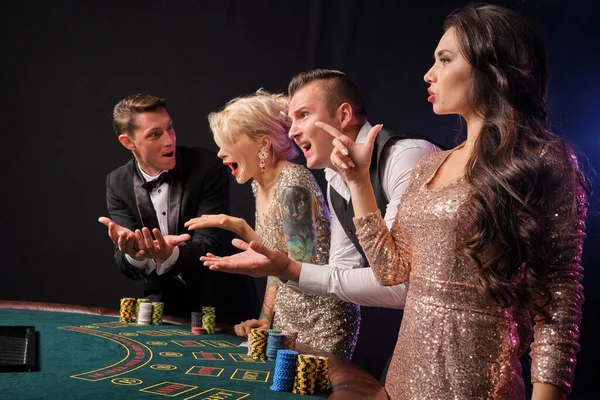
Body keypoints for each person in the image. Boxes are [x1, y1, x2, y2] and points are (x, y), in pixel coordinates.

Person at [318, 5, 588, 399]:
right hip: (400, 383)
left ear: (491, 68)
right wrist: (358, 182)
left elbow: (559, 297)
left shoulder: (543, 161)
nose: (429, 73)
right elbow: (391, 270)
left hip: (479, 389)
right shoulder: (429, 165)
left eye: (444, 59)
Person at [200, 70, 440, 378]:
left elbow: (399, 282)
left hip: (434, 332)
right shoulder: (334, 178)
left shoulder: (406, 156)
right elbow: (342, 269)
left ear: (343, 115)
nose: (292, 131)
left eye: (303, 116)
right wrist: (272, 305)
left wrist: (282, 266)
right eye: (292, 118)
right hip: (407, 334)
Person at [185, 89, 359, 359]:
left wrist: (242, 232)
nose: (220, 153)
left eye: (228, 142)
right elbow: (277, 259)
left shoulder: (293, 185)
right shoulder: (260, 184)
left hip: (320, 320)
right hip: (285, 318)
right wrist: (266, 319)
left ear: (263, 144)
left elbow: (300, 271)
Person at [98, 93, 258, 322]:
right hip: (164, 310)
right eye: (155, 134)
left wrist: (170, 254)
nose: (169, 140)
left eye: (169, 128)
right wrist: (133, 254)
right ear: (128, 142)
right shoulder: (116, 182)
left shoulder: (208, 166)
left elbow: (211, 243)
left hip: (223, 307)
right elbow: (127, 264)